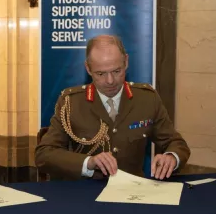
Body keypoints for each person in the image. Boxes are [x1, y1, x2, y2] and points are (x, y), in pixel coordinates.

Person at [35, 35, 190, 180]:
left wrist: (171, 157)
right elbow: (44, 155)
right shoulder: (71, 103)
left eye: (117, 71)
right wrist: (88, 162)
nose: (110, 81)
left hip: (132, 194)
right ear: (88, 69)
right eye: (101, 74)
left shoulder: (147, 98)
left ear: (126, 62)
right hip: (84, 195)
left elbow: (175, 142)